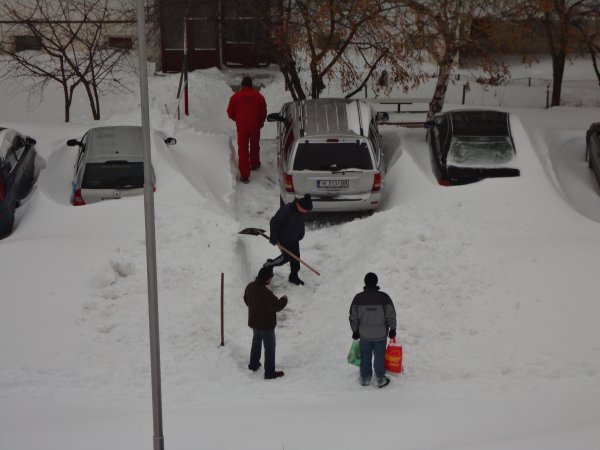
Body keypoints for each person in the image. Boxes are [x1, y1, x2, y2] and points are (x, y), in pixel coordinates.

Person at [349, 272, 397, 388]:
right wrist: (393, 329)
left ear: (365, 282)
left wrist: (355, 331)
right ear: (376, 282)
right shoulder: (384, 298)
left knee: (365, 355)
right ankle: (380, 378)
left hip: (364, 334)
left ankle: (365, 378)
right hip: (381, 334)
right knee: (379, 355)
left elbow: (353, 317)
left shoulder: (358, 298)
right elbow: (391, 315)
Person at [244, 266, 288, 380]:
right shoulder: (265, 292)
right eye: (271, 277)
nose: (272, 279)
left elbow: (246, 300)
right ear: (267, 278)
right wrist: (284, 299)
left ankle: (253, 365)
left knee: (256, 343)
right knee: (269, 347)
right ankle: (269, 372)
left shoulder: (250, 286)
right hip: (266, 325)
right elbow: (277, 306)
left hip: (254, 322)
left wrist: (255, 308)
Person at [263, 194, 313, 285]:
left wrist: (301, 234)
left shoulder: (302, 212)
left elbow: (301, 224)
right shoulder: (286, 210)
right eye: (305, 210)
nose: (306, 212)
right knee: (286, 257)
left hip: (294, 239)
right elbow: (274, 222)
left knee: (296, 258)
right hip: (283, 239)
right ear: (299, 205)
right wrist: (275, 239)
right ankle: (269, 264)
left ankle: (294, 276)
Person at [226, 76, 267, 184]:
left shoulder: (235, 97)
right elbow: (263, 112)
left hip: (242, 127)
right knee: (254, 145)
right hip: (255, 126)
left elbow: (230, 112)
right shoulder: (259, 97)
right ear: (251, 85)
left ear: (242, 85)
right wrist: (260, 122)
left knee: (243, 150)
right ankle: (254, 164)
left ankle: (245, 175)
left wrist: (238, 119)